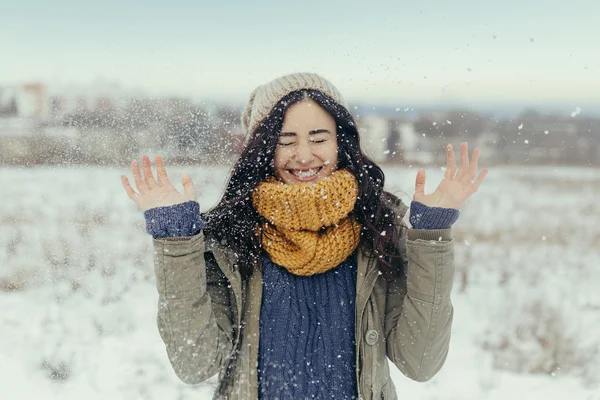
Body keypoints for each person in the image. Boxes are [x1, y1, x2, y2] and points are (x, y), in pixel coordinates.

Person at [120, 72, 488, 400]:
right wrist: (175, 240)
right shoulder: (232, 239)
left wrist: (432, 235)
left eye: (318, 138)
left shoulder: (379, 231)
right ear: (263, 148)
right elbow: (195, 363)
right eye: (286, 140)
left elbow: (420, 362)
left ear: (341, 142)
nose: (304, 155)